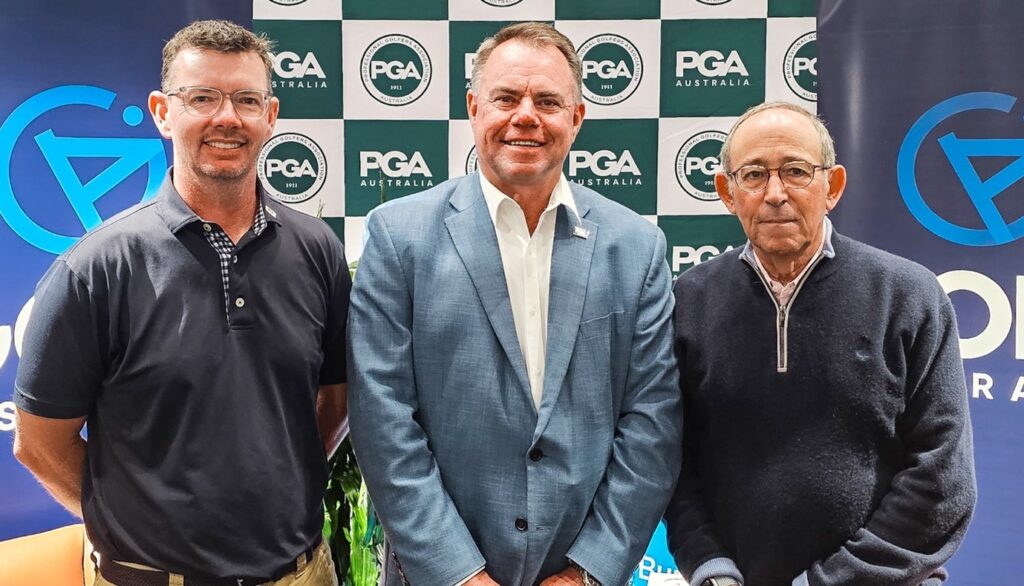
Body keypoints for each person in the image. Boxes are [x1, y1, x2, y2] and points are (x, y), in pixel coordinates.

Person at [12, 20, 349, 586]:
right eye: (202, 98)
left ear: (271, 115)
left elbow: (334, 403)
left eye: (246, 99)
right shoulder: (97, 267)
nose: (226, 117)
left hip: (301, 574)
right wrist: (129, 526)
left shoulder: (317, 250)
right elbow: (40, 444)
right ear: (163, 112)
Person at [347, 22, 682, 586]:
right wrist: (458, 573)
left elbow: (653, 420)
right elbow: (382, 420)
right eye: (506, 97)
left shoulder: (637, 246)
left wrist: (588, 571)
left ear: (576, 118)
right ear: (475, 108)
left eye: (548, 101)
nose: (525, 115)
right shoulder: (397, 235)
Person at [666, 102, 977, 586]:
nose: (774, 194)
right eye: (753, 175)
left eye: (795, 171)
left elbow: (942, 478)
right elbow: (675, 461)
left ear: (831, 187)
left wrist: (827, 582)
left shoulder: (909, 295)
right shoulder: (689, 299)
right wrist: (710, 567)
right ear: (727, 192)